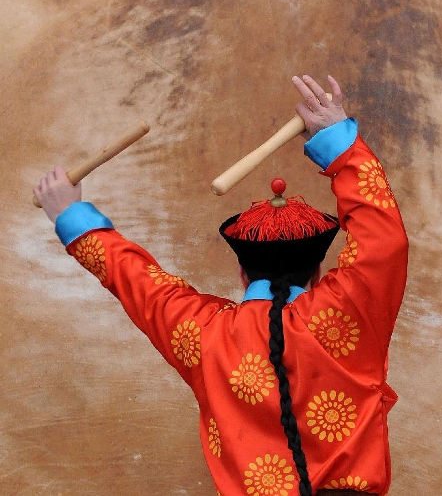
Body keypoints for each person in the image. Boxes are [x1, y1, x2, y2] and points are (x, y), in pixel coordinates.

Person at [34, 75, 408, 496]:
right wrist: (339, 143)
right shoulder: (352, 308)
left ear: (242, 275)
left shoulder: (205, 333)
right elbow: (384, 240)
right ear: (318, 273)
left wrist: (68, 213)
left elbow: (135, 279)